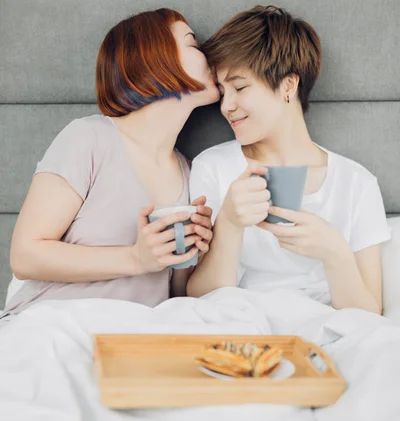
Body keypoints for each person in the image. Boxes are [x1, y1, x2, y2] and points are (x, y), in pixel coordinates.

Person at [3, 8, 219, 316]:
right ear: (154, 57)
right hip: (53, 324)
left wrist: (191, 253)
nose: (209, 56)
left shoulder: (187, 169)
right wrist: (135, 258)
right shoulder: (88, 138)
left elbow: (174, 294)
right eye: (193, 44)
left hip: (132, 339)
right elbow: (25, 256)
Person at [187, 5, 390, 314]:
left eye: (239, 87)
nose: (226, 106)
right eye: (222, 91)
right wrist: (228, 222)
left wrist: (334, 253)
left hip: (327, 331)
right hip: (241, 326)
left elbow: (369, 317)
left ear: (288, 86)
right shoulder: (213, 168)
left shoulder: (356, 184)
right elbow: (199, 301)